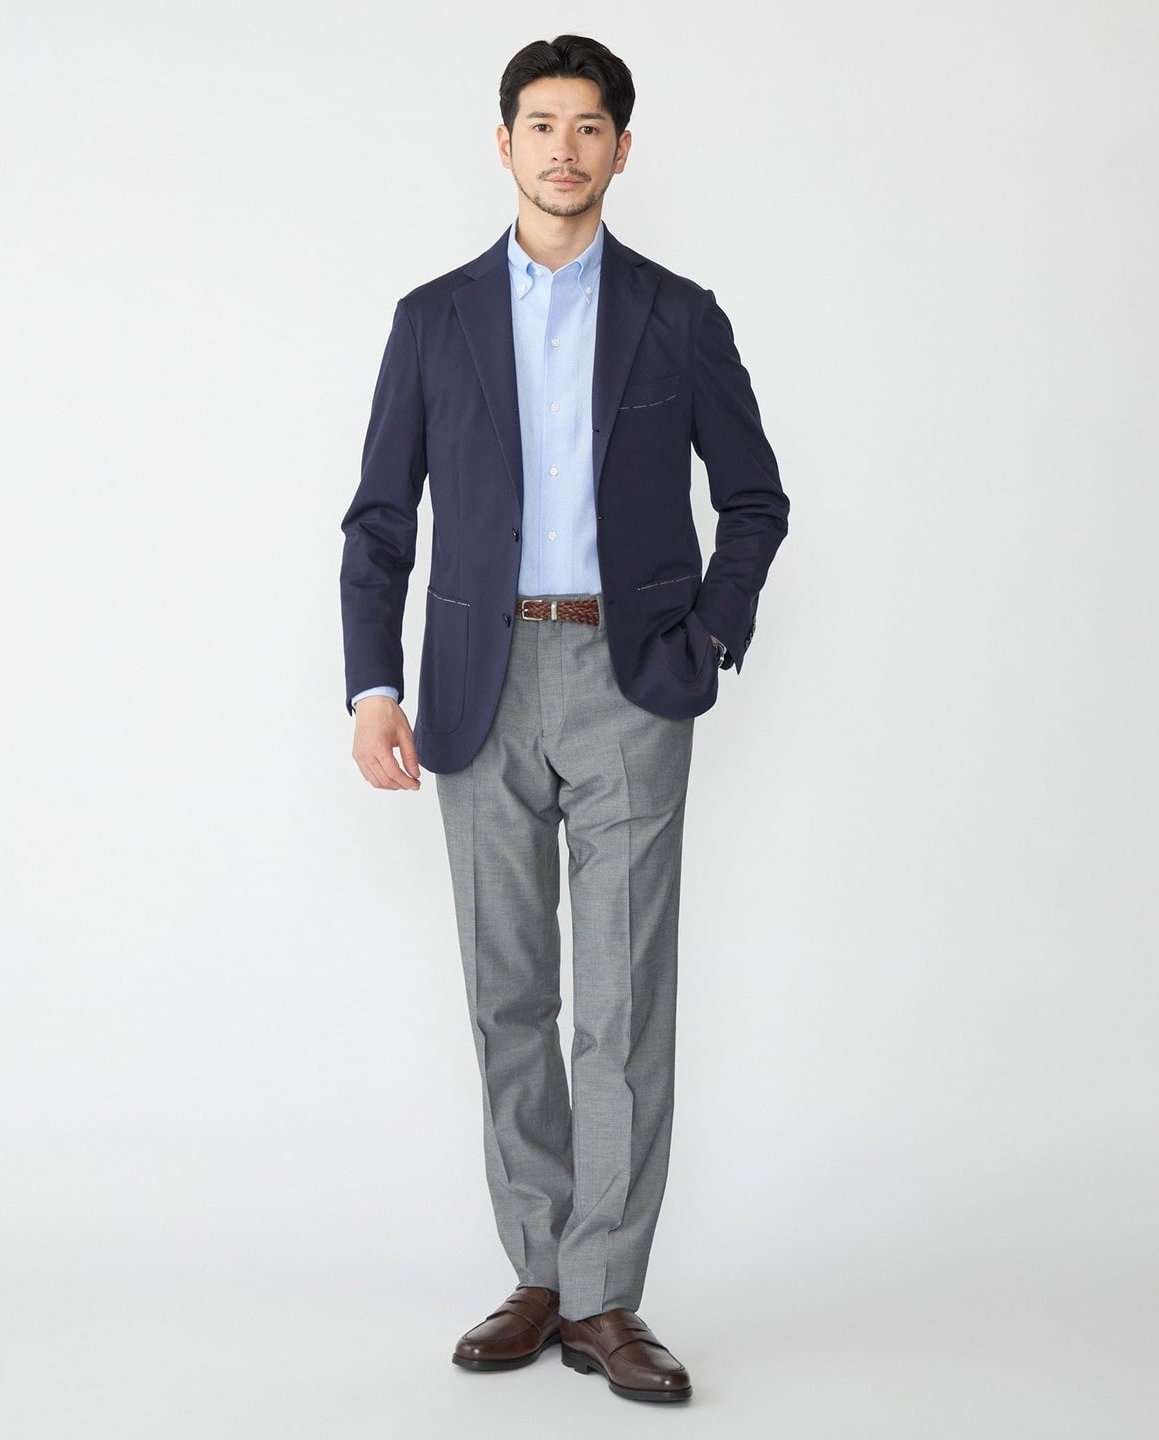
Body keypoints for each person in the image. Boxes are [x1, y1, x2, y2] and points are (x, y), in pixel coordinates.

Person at [340, 34, 788, 1405]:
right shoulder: (433, 319)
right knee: (509, 990)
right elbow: (380, 518)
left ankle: (605, 1294)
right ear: (505, 143)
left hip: (630, 680)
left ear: (621, 149)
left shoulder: (677, 314)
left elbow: (754, 499)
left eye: (588, 126)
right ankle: (537, 1269)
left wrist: (709, 635)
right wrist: (372, 686)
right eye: (541, 123)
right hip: (476, 684)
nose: (563, 148)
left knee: (624, 1000)